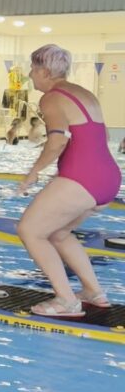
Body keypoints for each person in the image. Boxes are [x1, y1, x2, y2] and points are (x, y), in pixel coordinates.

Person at [16, 44, 120, 317]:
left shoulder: (51, 98)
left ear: (45, 71)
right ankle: (93, 292)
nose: (30, 74)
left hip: (82, 177)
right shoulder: (84, 93)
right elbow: (99, 137)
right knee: (59, 233)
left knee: (30, 231)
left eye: (32, 69)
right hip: (107, 176)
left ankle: (66, 300)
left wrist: (34, 172)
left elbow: (57, 141)